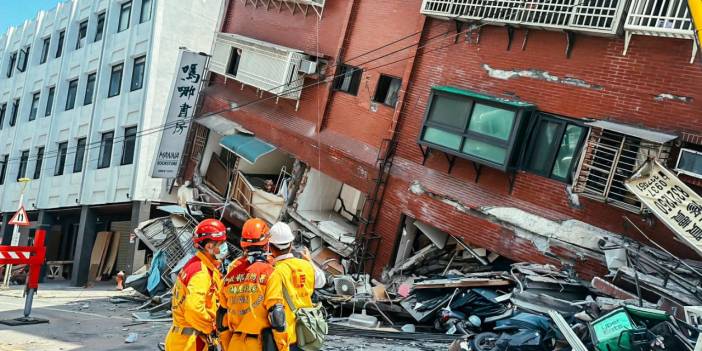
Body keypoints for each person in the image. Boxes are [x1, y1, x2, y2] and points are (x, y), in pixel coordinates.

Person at [219, 218, 288, 351]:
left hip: (235, 343)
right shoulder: (269, 273)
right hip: (259, 344)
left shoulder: (230, 276)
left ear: (243, 244)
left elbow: (222, 316)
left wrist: (227, 345)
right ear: (266, 244)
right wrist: (282, 346)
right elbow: (277, 314)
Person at [165, 218, 228, 351]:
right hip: (191, 343)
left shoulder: (198, 265)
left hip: (184, 340)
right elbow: (194, 310)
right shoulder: (200, 272)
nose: (224, 247)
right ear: (209, 246)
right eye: (221, 243)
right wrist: (212, 328)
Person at [267, 222, 327, 351]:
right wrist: (309, 261)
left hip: (286, 336)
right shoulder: (306, 265)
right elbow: (321, 281)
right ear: (291, 244)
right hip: (307, 331)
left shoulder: (274, 271)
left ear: (270, 247)